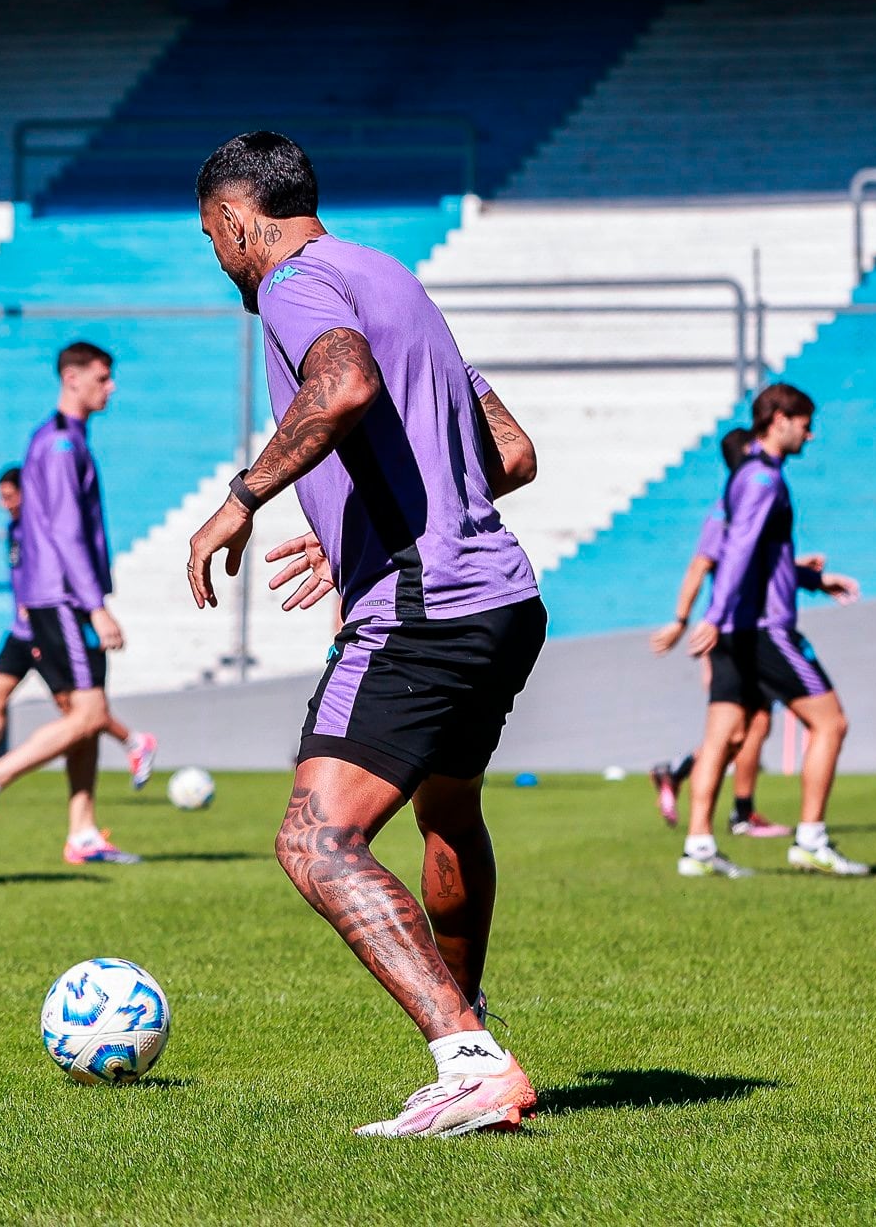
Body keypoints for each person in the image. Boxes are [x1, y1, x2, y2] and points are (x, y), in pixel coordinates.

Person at [185, 131, 545, 1137]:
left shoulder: (295, 284)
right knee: (449, 815)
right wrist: (356, 530)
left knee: (315, 838)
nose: (220, 258)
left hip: (423, 610)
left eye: (213, 236)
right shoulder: (392, 276)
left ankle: (469, 1059)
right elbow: (508, 451)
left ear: (236, 218)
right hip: (499, 601)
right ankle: (473, 1034)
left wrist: (244, 497)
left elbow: (340, 388)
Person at [0, 344, 142, 865]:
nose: (111, 387)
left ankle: (82, 832)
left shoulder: (64, 438)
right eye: (103, 378)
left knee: (81, 712)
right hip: (60, 597)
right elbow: (64, 531)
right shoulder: (59, 445)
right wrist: (94, 604)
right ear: (73, 378)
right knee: (89, 713)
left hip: (60, 595)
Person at [680, 384, 865, 878]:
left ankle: (697, 847)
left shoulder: (747, 478)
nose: (811, 432)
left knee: (724, 735)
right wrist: (713, 615)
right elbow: (737, 551)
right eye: (806, 421)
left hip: (739, 628)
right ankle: (811, 839)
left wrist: (812, 580)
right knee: (830, 723)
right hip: (764, 629)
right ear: (779, 418)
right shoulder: (764, 480)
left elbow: (760, 558)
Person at [0, 465, 158, 786]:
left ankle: (133, 742)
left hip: (50, 629)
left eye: (10, 496)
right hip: (21, 632)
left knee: (79, 712)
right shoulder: (13, 530)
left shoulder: (42, 531)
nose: (7, 504)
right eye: (2, 498)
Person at [647, 428, 786, 838]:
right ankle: (718, 818)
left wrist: (800, 574)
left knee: (753, 725)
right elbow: (701, 564)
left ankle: (733, 807)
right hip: (730, 633)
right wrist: (680, 618)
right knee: (734, 729)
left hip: (749, 631)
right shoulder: (727, 508)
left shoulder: (748, 501)